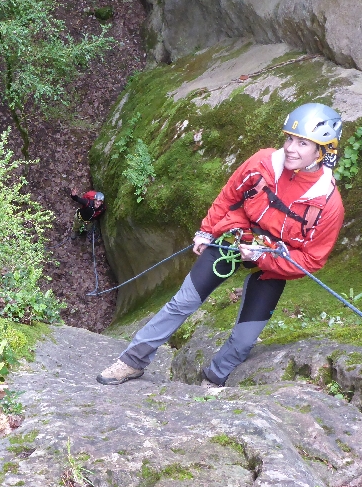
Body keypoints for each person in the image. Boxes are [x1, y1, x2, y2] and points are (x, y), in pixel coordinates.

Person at [96, 103, 345, 387]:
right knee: (183, 302)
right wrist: (206, 231)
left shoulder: (327, 202)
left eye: (302, 143)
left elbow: (312, 260)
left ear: (322, 151)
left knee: (244, 338)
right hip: (234, 237)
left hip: (273, 261)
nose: (290, 148)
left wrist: (264, 257)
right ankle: (132, 361)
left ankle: (214, 379)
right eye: (289, 138)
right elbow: (229, 195)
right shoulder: (264, 163)